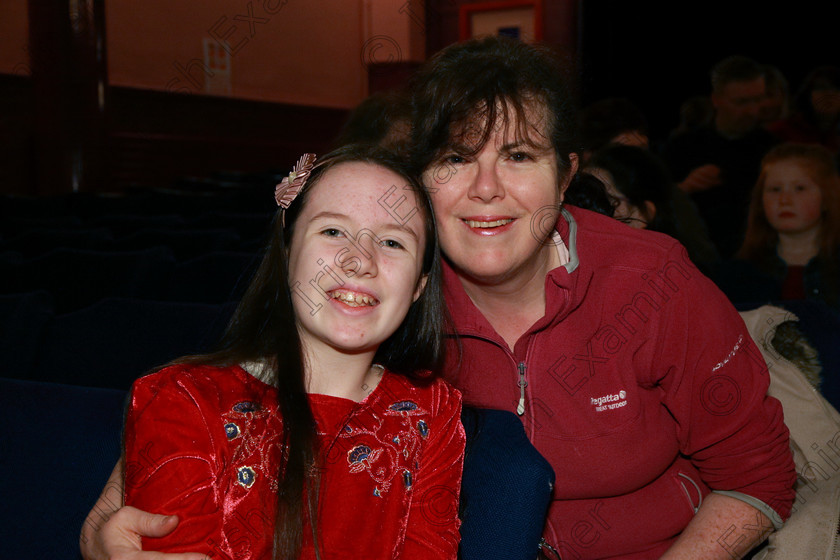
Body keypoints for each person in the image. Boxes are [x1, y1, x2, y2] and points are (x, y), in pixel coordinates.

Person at [82, 37, 796, 560]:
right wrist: (106, 523)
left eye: (518, 156)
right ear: (420, 180)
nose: (486, 188)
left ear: (565, 172)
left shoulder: (653, 283)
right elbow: (238, 389)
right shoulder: (395, 285)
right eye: (456, 157)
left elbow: (758, 476)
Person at [102, 144, 465, 559]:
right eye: (333, 231)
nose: (359, 260)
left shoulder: (431, 412)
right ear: (288, 252)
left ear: (419, 286)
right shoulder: (185, 400)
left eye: (392, 242)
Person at [660, 55, 779, 260]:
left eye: (759, 100)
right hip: (693, 262)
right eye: (742, 102)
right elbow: (659, 207)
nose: (753, 110)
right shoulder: (681, 148)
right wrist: (684, 189)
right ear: (716, 99)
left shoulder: (775, 150)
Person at [714, 142, 840, 313]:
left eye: (799, 188)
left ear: (827, 197)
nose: (784, 200)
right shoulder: (737, 275)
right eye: (775, 189)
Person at [583, 144, 719, 275]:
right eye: (582, 195)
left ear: (641, 214)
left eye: (604, 200)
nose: (586, 208)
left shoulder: (665, 280)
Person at [767, 65, 840, 153]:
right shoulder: (782, 131)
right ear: (808, 94)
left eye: (835, 89)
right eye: (821, 88)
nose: (828, 94)